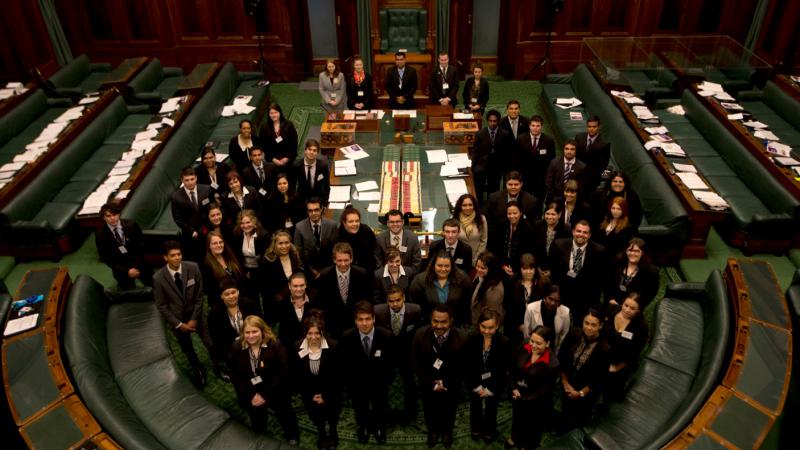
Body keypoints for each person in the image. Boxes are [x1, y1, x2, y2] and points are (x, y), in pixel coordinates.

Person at [153, 241, 216, 388]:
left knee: (209, 342)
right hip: (177, 320)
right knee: (187, 349)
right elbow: (162, 306)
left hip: (197, 315)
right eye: (173, 255)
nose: (177, 258)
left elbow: (200, 296)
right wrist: (179, 324)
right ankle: (198, 370)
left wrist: (194, 318)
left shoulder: (193, 267)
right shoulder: (158, 278)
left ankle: (218, 367)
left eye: (179, 254)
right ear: (165, 258)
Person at [228, 315, 299, 445]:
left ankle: (292, 434)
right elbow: (234, 374)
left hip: (275, 389)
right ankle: (259, 434)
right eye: (247, 332)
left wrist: (264, 395)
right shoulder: (237, 346)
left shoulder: (275, 345)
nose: (251, 336)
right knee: (256, 418)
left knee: (285, 413)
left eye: (254, 331)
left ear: (262, 330)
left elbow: (282, 372)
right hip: (251, 391)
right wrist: (252, 395)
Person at [412, 304, 466, 448]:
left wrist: (446, 383)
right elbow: (416, 363)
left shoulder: (462, 337)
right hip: (428, 384)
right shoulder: (419, 334)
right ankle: (433, 432)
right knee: (429, 408)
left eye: (444, 322)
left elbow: (463, 366)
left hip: (451, 384)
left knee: (450, 409)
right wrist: (432, 384)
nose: (439, 325)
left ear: (451, 320)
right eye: (436, 321)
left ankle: (447, 432)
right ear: (431, 319)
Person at [340, 301, 393, 444]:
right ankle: (363, 427)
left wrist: (386, 382)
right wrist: (350, 384)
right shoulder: (347, 336)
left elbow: (391, 363)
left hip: (379, 383)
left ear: (374, 319)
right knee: (360, 407)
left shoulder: (386, 335)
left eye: (368, 319)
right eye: (360, 319)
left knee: (380, 407)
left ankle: (379, 428)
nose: (364, 323)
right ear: (355, 320)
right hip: (357, 383)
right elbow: (345, 364)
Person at [374, 285, 422, 422]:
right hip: (386, 356)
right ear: (386, 300)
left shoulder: (416, 310)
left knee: (410, 384)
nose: (395, 304)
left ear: (404, 298)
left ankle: (411, 412)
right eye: (391, 301)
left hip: (406, 354)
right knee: (383, 384)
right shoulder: (377, 311)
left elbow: (417, 333)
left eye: (398, 300)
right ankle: (383, 413)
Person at [293, 313, 342, 449]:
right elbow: (298, 376)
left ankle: (333, 432)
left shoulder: (333, 346)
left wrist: (325, 396)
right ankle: (322, 434)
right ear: (305, 333)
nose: (313, 337)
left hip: (330, 393)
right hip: (310, 394)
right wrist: (311, 395)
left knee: (332, 416)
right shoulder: (297, 347)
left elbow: (337, 376)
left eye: (317, 333)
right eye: (310, 333)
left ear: (322, 332)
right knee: (316, 416)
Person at [507, 325, 560, 450]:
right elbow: (513, 368)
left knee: (533, 425)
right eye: (532, 341)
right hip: (518, 393)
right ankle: (515, 437)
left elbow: (544, 391)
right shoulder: (525, 345)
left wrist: (523, 398)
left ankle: (528, 445)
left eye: (538, 343)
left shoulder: (553, 364)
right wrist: (514, 387)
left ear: (547, 343)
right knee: (517, 417)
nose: (533, 346)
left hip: (536, 401)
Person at [558, 309, 611, 431]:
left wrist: (581, 393)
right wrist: (565, 384)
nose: (589, 328)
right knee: (565, 410)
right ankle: (562, 428)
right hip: (568, 383)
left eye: (593, 325)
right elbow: (562, 357)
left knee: (580, 417)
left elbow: (600, 377)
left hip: (587, 390)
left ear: (600, 326)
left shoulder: (605, 349)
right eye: (586, 323)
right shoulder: (573, 333)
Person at [465, 310, 509, 443]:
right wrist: (476, 386)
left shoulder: (504, 342)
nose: (487, 331)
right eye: (483, 327)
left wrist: (491, 388)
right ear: (479, 325)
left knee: (492, 407)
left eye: (491, 328)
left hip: (494, 383)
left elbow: (503, 370)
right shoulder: (471, 339)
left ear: (497, 326)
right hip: (475, 382)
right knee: (475, 406)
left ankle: (489, 430)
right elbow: (467, 366)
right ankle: (476, 429)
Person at [550, 220, 606, 322]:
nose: (581, 234)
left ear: (589, 235)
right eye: (578, 231)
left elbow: (599, 279)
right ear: (573, 232)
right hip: (562, 295)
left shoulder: (599, 251)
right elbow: (554, 271)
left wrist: (593, 302)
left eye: (585, 232)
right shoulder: (559, 245)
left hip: (584, 298)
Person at [315, 242, 373, 338]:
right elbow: (321, 302)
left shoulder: (362, 274)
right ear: (334, 260)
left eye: (346, 260)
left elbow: (366, 300)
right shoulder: (324, 275)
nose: (343, 264)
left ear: (351, 259)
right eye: (339, 260)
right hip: (332, 326)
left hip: (356, 325)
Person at [207, 280, 261, 380]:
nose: (231, 296)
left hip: (254, 345)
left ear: (238, 292)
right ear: (222, 296)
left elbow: (261, 325)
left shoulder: (250, 305)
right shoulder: (214, 313)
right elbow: (216, 337)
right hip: (232, 351)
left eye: (233, 292)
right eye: (227, 294)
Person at [603, 293, 648, 401]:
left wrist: (616, 368)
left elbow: (635, 353)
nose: (627, 310)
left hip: (620, 364)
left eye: (632, 308)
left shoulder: (641, 327)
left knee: (612, 394)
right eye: (626, 305)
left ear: (638, 311)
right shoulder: (611, 310)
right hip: (603, 356)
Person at [96, 203, 152, 290]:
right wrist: (127, 271)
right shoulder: (100, 235)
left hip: (139, 262)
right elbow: (105, 257)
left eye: (114, 214)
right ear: (103, 218)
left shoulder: (132, 225)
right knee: (129, 292)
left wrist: (135, 266)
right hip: (120, 269)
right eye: (108, 216)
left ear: (119, 214)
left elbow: (142, 246)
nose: (112, 218)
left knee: (152, 284)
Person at [408, 249, 472, 326]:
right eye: (440, 265)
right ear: (433, 265)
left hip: (455, 326)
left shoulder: (463, 279)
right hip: (428, 325)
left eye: (447, 266)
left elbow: (466, 305)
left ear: (452, 266)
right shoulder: (420, 280)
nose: (443, 269)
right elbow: (415, 305)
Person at [506, 253, 550, 346]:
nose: (528, 272)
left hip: (538, 326)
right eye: (524, 269)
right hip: (516, 327)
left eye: (531, 268)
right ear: (520, 269)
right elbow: (508, 306)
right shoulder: (513, 281)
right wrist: (519, 325)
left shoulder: (544, 283)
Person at [469, 110, 514, 202]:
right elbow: (475, 152)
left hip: (496, 170)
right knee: (479, 191)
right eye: (490, 121)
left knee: (493, 192)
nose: (492, 123)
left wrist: (503, 170)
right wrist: (474, 168)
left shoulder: (504, 134)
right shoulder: (480, 134)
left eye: (495, 121)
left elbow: (507, 153)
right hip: (481, 168)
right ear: (487, 121)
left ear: (498, 121)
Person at [604, 237, 660, 310]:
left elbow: (650, 294)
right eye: (630, 250)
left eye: (636, 251)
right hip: (612, 304)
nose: (632, 253)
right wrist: (610, 299)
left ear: (642, 253)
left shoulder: (651, 272)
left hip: (632, 309)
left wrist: (635, 307)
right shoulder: (617, 263)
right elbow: (607, 283)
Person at [170, 166, 212, 261]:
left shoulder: (206, 190)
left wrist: (206, 227)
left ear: (196, 178)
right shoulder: (176, 197)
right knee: (197, 258)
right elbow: (177, 218)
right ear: (182, 180)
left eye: (192, 179)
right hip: (190, 234)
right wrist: (191, 231)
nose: (190, 182)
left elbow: (210, 209)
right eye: (187, 180)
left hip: (207, 229)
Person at [261, 230, 304, 318]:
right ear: (275, 244)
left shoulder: (297, 255)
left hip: (298, 296)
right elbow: (266, 288)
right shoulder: (268, 260)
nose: (284, 246)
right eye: (280, 243)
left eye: (286, 243)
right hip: (278, 301)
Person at [487, 201, 535, 276]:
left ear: (521, 213)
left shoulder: (528, 228)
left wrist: (515, 268)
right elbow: (494, 247)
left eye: (515, 213)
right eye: (509, 213)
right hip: (500, 265)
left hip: (520, 268)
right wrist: (502, 265)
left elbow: (528, 252)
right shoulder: (500, 225)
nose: (512, 216)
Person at [231, 209, 269, 302]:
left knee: (266, 297)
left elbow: (266, 258)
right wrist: (245, 272)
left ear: (254, 222)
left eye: (248, 222)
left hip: (262, 271)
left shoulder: (263, 236)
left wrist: (255, 273)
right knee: (251, 298)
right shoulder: (237, 236)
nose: (245, 226)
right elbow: (236, 257)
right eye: (242, 223)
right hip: (245, 271)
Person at [294, 197, 338, 277]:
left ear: (322, 209)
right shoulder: (299, 226)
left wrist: (325, 271)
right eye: (310, 211)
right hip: (309, 270)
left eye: (316, 210)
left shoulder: (332, 225)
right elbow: (298, 253)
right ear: (307, 211)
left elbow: (336, 250)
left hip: (329, 269)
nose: (313, 213)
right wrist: (311, 270)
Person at [514, 115, 555, 200]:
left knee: (539, 202)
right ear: (529, 126)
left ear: (542, 127)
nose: (535, 128)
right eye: (533, 125)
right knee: (524, 201)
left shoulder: (549, 141)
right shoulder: (521, 139)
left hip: (541, 180)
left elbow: (552, 161)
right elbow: (516, 159)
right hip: (524, 178)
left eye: (537, 126)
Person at [275, 272, 321, 345]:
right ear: (289, 286)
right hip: (288, 345)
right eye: (295, 286)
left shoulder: (315, 298)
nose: (299, 289)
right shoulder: (281, 301)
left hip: (311, 342)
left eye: (301, 285)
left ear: (306, 284)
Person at [522, 284, 570, 353]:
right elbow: (527, 333)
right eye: (550, 298)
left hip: (552, 350)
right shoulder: (531, 308)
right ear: (545, 296)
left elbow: (563, 335)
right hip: (533, 348)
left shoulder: (565, 312)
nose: (552, 303)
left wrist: (556, 352)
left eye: (557, 301)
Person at [201, 231, 246, 302]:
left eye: (221, 242)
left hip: (240, 298)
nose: (219, 245)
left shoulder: (231, 257)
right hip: (221, 302)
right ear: (209, 246)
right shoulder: (206, 265)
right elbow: (209, 289)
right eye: (214, 243)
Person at [469, 251, 507, 327]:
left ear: (491, 269)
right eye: (477, 266)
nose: (479, 270)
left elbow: (491, 316)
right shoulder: (480, 276)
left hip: (485, 327)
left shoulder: (495, 289)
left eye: (483, 268)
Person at [575, 116, 610, 195]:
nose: (591, 129)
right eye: (589, 126)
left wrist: (588, 178)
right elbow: (575, 156)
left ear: (599, 127)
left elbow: (603, 165)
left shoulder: (604, 144)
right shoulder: (579, 137)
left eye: (594, 126)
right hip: (577, 175)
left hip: (592, 180)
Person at [336, 206, 377, 273]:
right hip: (346, 271)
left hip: (367, 270)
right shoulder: (337, 236)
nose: (355, 224)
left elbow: (374, 250)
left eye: (357, 221)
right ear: (344, 223)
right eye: (351, 221)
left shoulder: (366, 231)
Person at [532, 202, 570, 272]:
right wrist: (537, 267)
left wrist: (552, 271)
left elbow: (565, 255)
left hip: (557, 268)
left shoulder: (566, 230)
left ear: (559, 215)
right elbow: (533, 248)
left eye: (553, 214)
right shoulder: (537, 225)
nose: (549, 217)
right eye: (547, 214)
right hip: (538, 267)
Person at [545, 139, 586, 204]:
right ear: (563, 150)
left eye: (572, 149)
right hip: (554, 199)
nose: (569, 151)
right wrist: (555, 198)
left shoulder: (581, 167)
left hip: (572, 200)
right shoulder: (554, 163)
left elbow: (581, 187)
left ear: (576, 151)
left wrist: (570, 197)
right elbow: (548, 183)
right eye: (567, 149)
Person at [291, 139, 330, 204]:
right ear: (305, 151)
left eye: (314, 150)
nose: (312, 152)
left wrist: (325, 202)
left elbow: (326, 186)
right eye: (309, 149)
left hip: (318, 199)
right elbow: (292, 185)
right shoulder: (296, 165)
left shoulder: (323, 166)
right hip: (301, 199)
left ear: (317, 153)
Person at [260, 102, 298, 170]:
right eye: (271, 113)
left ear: (280, 113)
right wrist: (273, 159)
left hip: (288, 159)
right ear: (268, 114)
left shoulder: (289, 125)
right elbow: (263, 146)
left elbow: (294, 143)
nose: (274, 115)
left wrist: (287, 158)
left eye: (276, 112)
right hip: (272, 161)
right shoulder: (264, 127)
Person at [453, 194, 488, 265]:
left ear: (474, 205)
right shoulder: (454, 219)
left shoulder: (481, 219)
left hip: (476, 260)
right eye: (464, 205)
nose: (468, 208)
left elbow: (483, 240)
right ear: (460, 206)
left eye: (470, 205)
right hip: (458, 260)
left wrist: (476, 259)